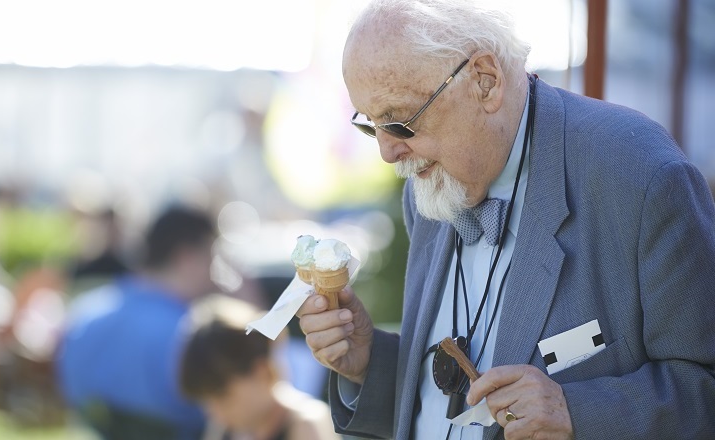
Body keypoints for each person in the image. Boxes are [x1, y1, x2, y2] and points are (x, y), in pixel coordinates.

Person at [296, 1, 715, 439]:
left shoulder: (639, 176)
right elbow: (442, 401)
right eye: (372, 126)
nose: (386, 153)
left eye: (401, 122)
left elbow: (703, 387)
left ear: (485, 80)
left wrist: (577, 412)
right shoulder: (429, 181)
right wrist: (369, 362)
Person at [55, 205, 218, 440]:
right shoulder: (190, 334)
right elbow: (225, 415)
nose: (214, 275)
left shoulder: (82, 313)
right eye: (211, 258)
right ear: (187, 258)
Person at [180, 294, 340, 440]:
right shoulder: (226, 430)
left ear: (261, 372)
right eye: (207, 402)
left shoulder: (306, 425)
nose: (215, 414)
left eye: (224, 399)